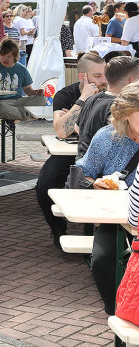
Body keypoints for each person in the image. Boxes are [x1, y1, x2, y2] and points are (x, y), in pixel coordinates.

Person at [76, 83, 139, 315]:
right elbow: (81, 174)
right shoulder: (107, 138)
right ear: (126, 113)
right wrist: (95, 184)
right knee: (102, 260)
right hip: (114, 217)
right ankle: (117, 313)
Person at [33, 52, 107, 247]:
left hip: (101, 155)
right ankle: (58, 228)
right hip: (70, 153)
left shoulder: (111, 94)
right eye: (98, 76)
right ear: (83, 76)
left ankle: (101, 235)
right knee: (44, 187)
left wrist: (75, 123)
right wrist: (82, 100)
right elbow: (60, 130)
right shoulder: (66, 95)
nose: (104, 80)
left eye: (105, 74)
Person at [77, 55, 139, 158]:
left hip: (84, 166)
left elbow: (77, 128)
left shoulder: (92, 99)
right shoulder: (120, 107)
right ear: (131, 81)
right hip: (106, 171)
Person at [0, 39, 46, 121]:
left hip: (17, 102)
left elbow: (28, 90)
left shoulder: (21, 69)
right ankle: (28, 115)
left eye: (8, 56)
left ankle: (19, 115)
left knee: (41, 99)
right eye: (2, 55)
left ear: (15, 56)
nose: (5, 59)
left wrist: (36, 92)